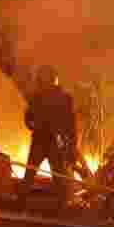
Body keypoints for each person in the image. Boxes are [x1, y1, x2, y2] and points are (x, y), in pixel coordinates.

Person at [20, 65, 77, 211]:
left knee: (58, 176)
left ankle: (62, 206)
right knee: (31, 174)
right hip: (41, 139)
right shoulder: (37, 97)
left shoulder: (64, 98)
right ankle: (21, 204)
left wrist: (71, 145)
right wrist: (34, 126)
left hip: (53, 141)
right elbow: (28, 117)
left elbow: (70, 124)